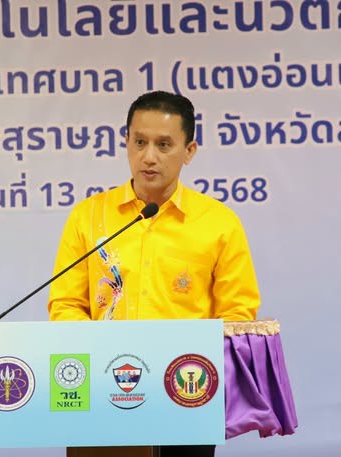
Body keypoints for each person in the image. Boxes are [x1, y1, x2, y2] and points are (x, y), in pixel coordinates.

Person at [48, 91, 260, 457]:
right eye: (139, 142)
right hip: (104, 390)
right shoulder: (89, 216)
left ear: (189, 151)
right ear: (126, 142)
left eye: (164, 145)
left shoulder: (219, 223)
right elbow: (66, 304)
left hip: (187, 393)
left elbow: (238, 316)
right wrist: (99, 354)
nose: (149, 157)